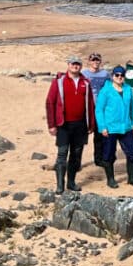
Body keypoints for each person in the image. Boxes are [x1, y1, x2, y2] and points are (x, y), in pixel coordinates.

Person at [45, 55, 96, 194]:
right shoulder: (59, 81)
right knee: (62, 154)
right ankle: (59, 185)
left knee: (76, 154)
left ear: (81, 66)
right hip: (63, 124)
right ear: (68, 65)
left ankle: (71, 182)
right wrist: (51, 124)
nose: (75, 66)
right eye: (73, 64)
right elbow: (50, 102)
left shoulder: (85, 82)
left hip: (80, 125)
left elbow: (91, 104)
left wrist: (91, 124)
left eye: (78, 64)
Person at [95, 66, 133, 188]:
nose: (119, 77)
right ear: (112, 76)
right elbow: (99, 110)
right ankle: (110, 179)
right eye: (117, 75)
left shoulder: (127, 89)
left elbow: (132, 108)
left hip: (126, 127)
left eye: (121, 75)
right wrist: (102, 127)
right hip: (110, 128)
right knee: (109, 154)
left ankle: (132, 178)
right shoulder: (105, 90)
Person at [81, 52, 110, 167]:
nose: (95, 62)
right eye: (93, 60)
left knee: (100, 134)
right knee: (82, 136)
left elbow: (110, 88)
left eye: (97, 60)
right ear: (89, 61)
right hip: (87, 108)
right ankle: (76, 162)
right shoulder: (84, 74)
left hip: (101, 108)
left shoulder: (105, 74)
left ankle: (99, 159)